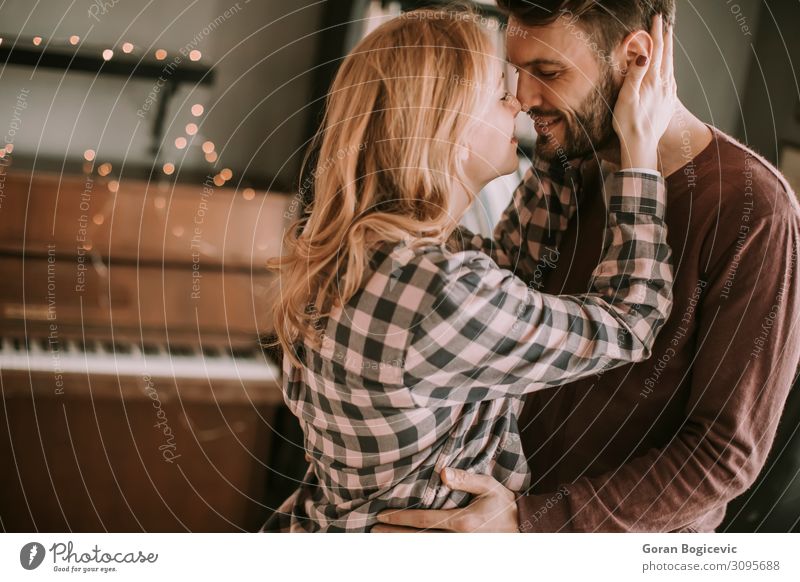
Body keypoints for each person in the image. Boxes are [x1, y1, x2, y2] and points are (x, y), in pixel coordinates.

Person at [373, 0, 800, 533]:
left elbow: (723, 454)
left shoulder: (754, 208)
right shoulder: (565, 163)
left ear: (636, 57)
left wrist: (530, 526)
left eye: (548, 72)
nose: (524, 97)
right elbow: (495, 303)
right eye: (519, 70)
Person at [263, 7, 676, 532]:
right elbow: (631, 323)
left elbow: (515, 270)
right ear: (448, 125)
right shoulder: (440, 291)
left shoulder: (361, 252)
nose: (520, 103)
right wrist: (639, 152)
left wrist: (561, 130)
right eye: (500, 93)